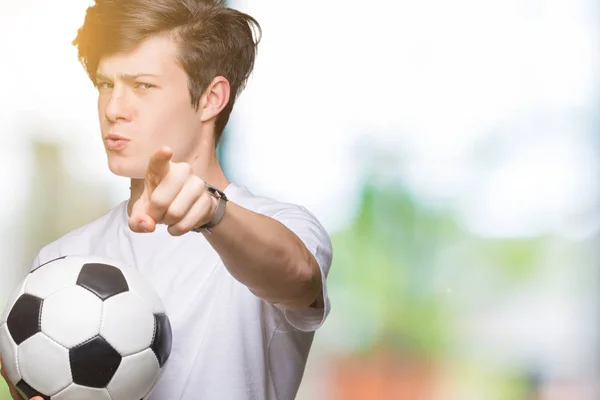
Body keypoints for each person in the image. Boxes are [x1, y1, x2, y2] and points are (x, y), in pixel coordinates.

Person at [0, 0, 333, 399]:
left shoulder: (283, 226)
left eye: (143, 85)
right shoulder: (60, 261)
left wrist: (212, 212)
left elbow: (298, 278)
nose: (114, 109)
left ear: (211, 98)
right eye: (107, 85)